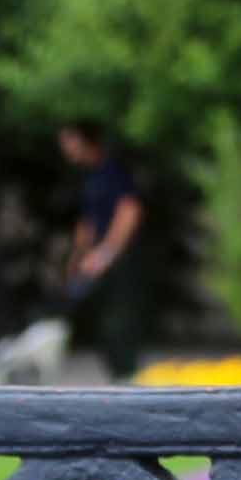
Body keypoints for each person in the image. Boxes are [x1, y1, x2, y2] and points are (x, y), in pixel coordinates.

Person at [51, 121, 153, 374]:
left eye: (70, 141)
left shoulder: (112, 171)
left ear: (87, 141)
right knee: (98, 319)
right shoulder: (89, 175)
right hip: (98, 258)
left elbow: (129, 211)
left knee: (119, 321)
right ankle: (117, 376)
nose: (66, 148)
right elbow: (88, 222)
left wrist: (106, 253)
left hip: (120, 257)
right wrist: (76, 259)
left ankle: (127, 377)